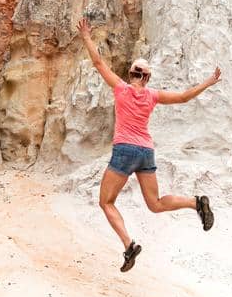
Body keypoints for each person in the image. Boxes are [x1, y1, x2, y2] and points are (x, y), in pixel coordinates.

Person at [76, 16, 219, 272]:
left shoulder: (120, 88)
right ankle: (196, 202)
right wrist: (208, 81)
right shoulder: (153, 95)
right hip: (146, 152)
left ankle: (129, 245)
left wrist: (86, 36)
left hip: (124, 150)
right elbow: (185, 97)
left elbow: (98, 62)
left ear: (131, 74)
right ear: (148, 78)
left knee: (106, 202)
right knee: (155, 204)